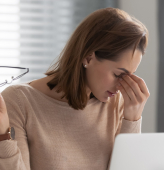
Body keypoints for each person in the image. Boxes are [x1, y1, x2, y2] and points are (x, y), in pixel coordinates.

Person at [0, 7, 150, 170]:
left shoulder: (118, 105)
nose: (122, 86)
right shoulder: (19, 102)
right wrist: (3, 139)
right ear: (88, 57)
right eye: (118, 74)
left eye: (130, 75)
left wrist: (132, 121)